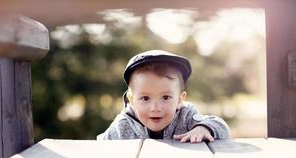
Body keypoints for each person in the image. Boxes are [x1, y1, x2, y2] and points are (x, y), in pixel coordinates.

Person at [97, 50, 230, 143]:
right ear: (132, 101)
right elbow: (101, 146)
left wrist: (203, 128)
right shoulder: (123, 124)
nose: (155, 108)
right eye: (145, 98)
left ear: (179, 100)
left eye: (165, 97)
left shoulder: (186, 116)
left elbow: (221, 126)